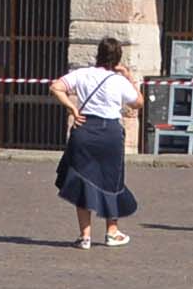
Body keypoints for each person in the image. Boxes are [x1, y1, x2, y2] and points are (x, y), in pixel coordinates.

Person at [52, 38, 144, 248]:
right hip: (109, 132)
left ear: (98, 54)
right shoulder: (118, 81)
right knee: (111, 181)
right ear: (118, 58)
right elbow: (138, 102)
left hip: (84, 130)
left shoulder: (82, 74)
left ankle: (85, 236)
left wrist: (72, 108)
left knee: (82, 181)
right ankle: (112, 231)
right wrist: (130, 77)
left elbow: (56, 87)